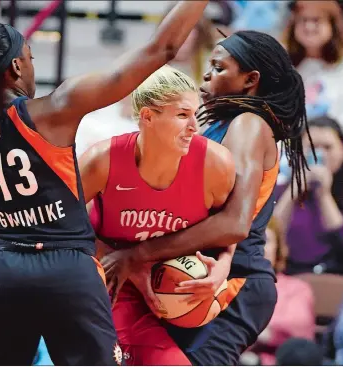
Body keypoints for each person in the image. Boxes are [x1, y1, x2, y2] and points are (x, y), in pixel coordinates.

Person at [0, 1, 210, 364]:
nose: (33, 67)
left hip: (6, 268)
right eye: (31, 57)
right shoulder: (56, 109)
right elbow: (162, 48)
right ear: (16, 66)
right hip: (68, 268)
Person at [101, 29, 314, 365]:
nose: (206, 73)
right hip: (190, 271)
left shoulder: (249, 124)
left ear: (250, 80)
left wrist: (136, 255)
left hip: (232, 280)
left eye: (218, 68)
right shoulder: (211, 127)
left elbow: (233, 223)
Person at [80, 65, 236, 365]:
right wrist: (129, 262)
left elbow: (228, 227)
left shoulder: (216, 164)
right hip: (114, 286)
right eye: (182, 115)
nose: (194, 125)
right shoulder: (102, 161)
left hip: (183, 288)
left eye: (195, 113)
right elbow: (62, 227)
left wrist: (224, 266)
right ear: (148, 117)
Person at [274, 116, 343, 277]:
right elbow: (269, 235)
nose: (319, 154)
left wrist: (324, 196)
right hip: (288, 280)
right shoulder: (279, 192)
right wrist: (293, 192)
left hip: (339, 280)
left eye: (327, 147)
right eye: (311, 147)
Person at [243, 216, 315, 365]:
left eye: (265, 241)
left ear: (278, 248)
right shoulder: (226, 285)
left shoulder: (297, 289)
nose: (258, 247)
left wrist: (242, 332)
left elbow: (297, 332)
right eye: (252, 241)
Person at [282, 0, 343, 140]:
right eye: (303, 20)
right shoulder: (283, 65)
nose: (309, 27)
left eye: (316, 20)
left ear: (332, 25)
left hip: (336, 147)